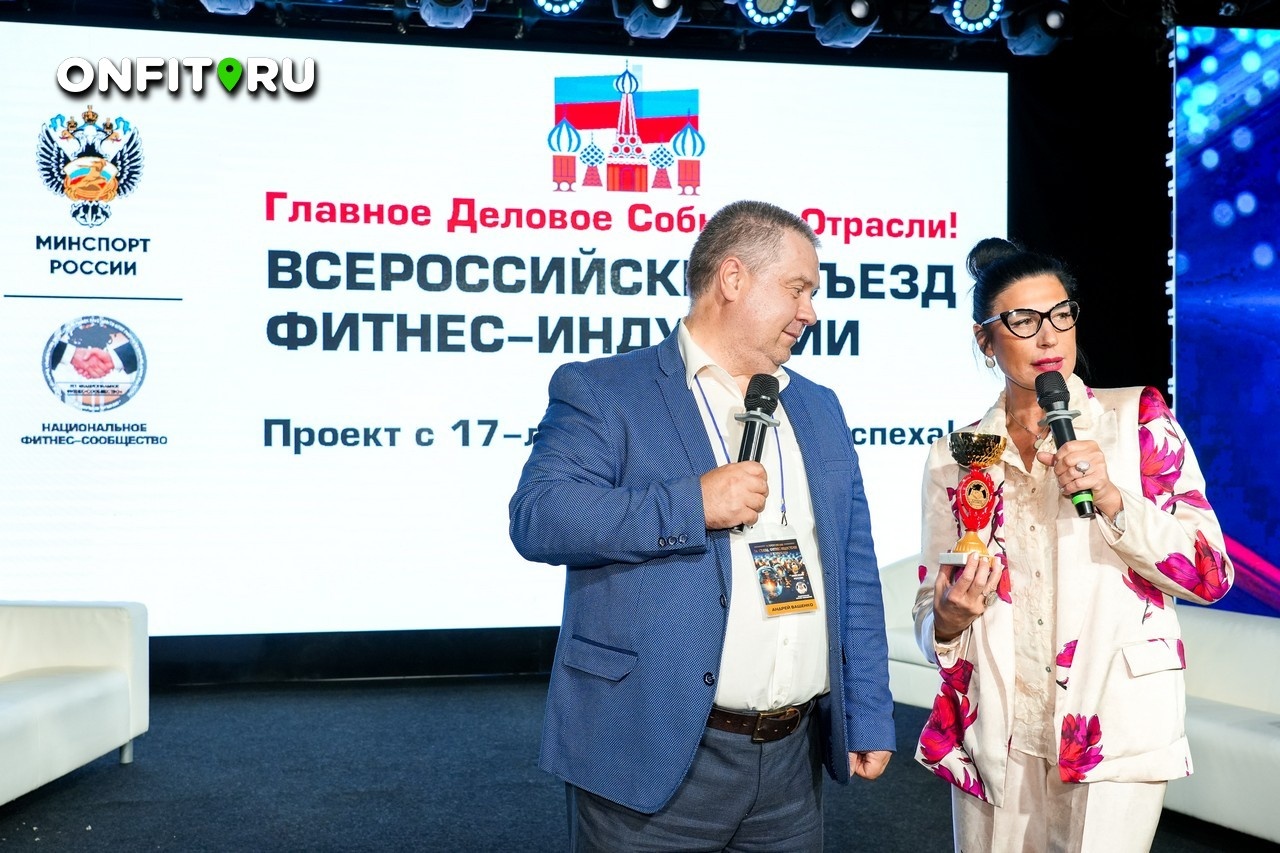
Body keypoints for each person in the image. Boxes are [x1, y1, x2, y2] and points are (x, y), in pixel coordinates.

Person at [509, 200, 896, 851]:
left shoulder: (819, 407)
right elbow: (541, 517)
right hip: (650, 753)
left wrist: (869, 710)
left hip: (792, 764)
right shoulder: (606, 390)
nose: (811, 312)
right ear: (733, 278)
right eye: (798, 289)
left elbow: (853, 570)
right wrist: (692, 505)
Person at [912, 237, 1235, 852]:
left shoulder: (1135, 421)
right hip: (996, 733)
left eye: (1061, 315)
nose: (1048, 336)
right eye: (1022, 321)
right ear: (985, 341)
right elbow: (930, 617)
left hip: (1110, 723)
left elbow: (1211, 574)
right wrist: (948, 619)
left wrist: (1113, 498)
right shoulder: (957, 456)